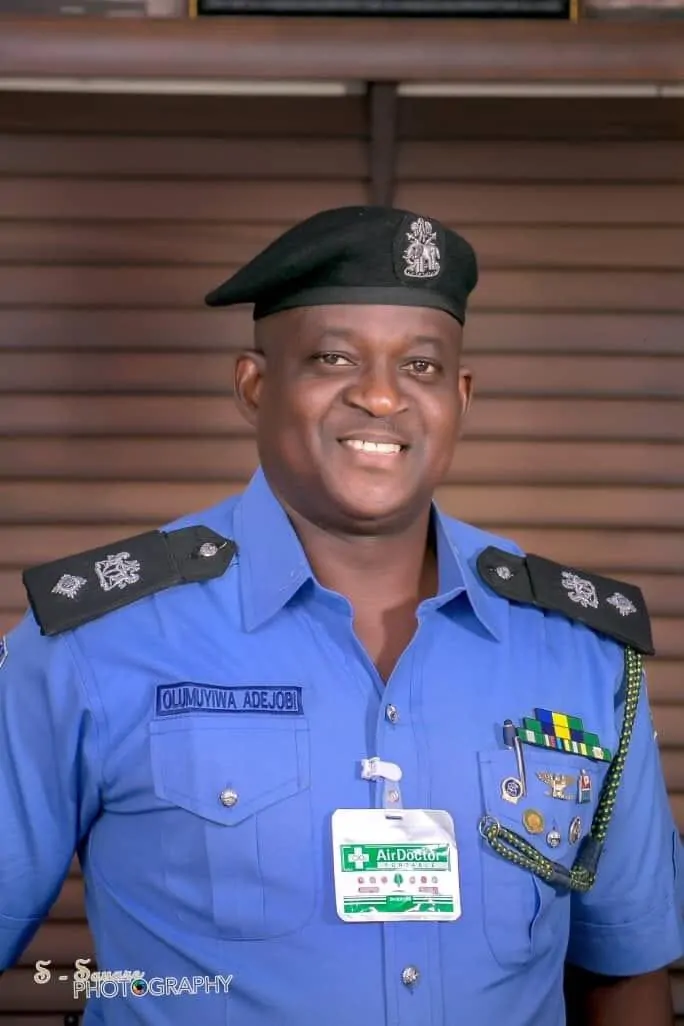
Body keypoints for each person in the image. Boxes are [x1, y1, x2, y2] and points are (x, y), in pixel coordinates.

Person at [0, 205, 681, 1026]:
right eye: (334, 358)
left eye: (421, 366)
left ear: (461, 397)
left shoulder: (580, 653)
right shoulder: (93, 645)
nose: (382, 396)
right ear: (254, 387)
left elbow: (624, 976)